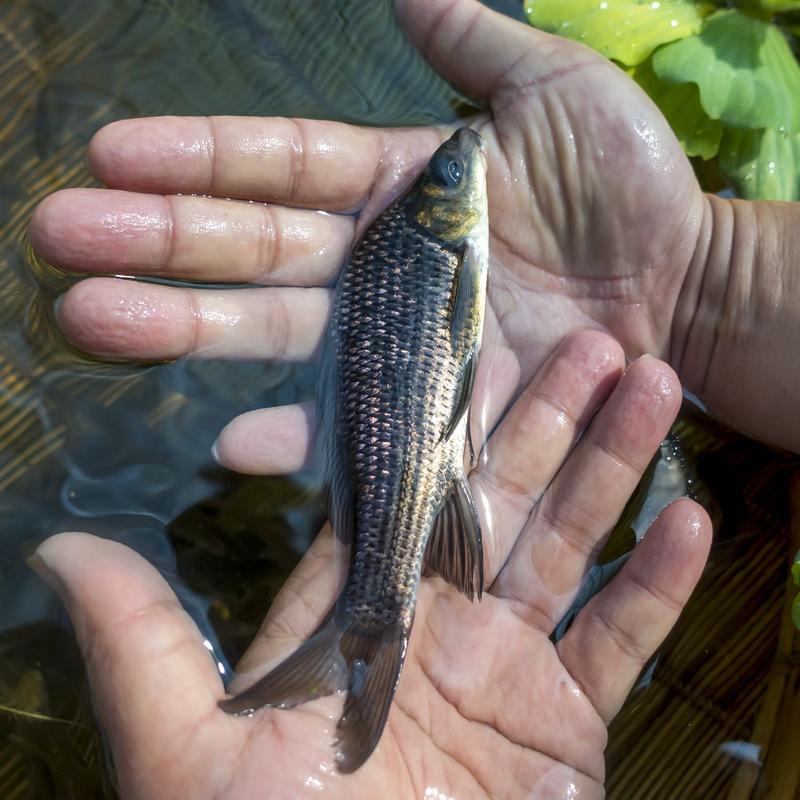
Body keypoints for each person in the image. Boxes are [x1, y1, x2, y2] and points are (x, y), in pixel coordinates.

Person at [26, 0, 800, 796]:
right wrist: (711, 272)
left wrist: (706, 268)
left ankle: (364, 631)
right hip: (431, 451)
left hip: (419, 443)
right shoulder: (435, 238)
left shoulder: (420, 242)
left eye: (449, 170)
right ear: (444, 212)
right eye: (451, 175)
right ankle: (368, 629)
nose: (461, 154)